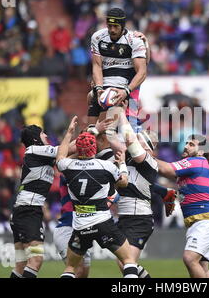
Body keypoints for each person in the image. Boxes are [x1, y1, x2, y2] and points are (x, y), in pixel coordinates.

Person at [56, 116, 143, 278]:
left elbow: (60, 156)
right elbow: (123, 183)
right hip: (103, 223)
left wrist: (69, 133)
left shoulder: (67, 166)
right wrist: (122, 162)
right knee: (129, 260)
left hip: (80, 226)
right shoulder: (106, 166)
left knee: (70, 268)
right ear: (94, 147)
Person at [110, 113, 176, 278]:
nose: (132, 143)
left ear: (147, 146)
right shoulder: (128, 160)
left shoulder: (148, 161)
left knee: (128, 262)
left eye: (138, 140)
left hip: (139, 219)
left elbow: (130, 141)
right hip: (125, 218)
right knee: (123, 263)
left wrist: (120, 114)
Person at [153, 134, 209, 278]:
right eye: (186, 143)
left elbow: (165, 168)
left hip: (207, 220)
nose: (185, 146)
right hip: (202, 221)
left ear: (201, 151)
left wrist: (141, 155)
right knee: (202, 269)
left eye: (191, 144)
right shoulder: (191, 167)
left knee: (190, 258)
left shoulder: (196, 161)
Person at [9, 123, 73, 278]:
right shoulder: (35, 150)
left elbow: (64, 156)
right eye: (43, 133)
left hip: (22, 211)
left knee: (21, 266)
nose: (46, 136)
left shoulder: (39, 156)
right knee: (35, 261)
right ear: (35, 139)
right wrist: (85, 131)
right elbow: (66, 150)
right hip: (28, 211)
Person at [53, 118, 113, 278]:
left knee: (83, 272)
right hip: (67, 227)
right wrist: (94, 130)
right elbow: (67, 154)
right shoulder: (70, 167)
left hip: (82, 227)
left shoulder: (84, 166)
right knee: (76, 270)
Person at [88, 7, 149, 133]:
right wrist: (99, 88)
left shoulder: (134, 40)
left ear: (122, 25)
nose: (112, 30)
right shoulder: (98, 37)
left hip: (126, 87)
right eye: (109, 26)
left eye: (115, 26)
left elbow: (142, 72)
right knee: (91, 100)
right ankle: (90, 139)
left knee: (128, 133)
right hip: (105, 84)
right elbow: (97, 66)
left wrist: (126, 91)